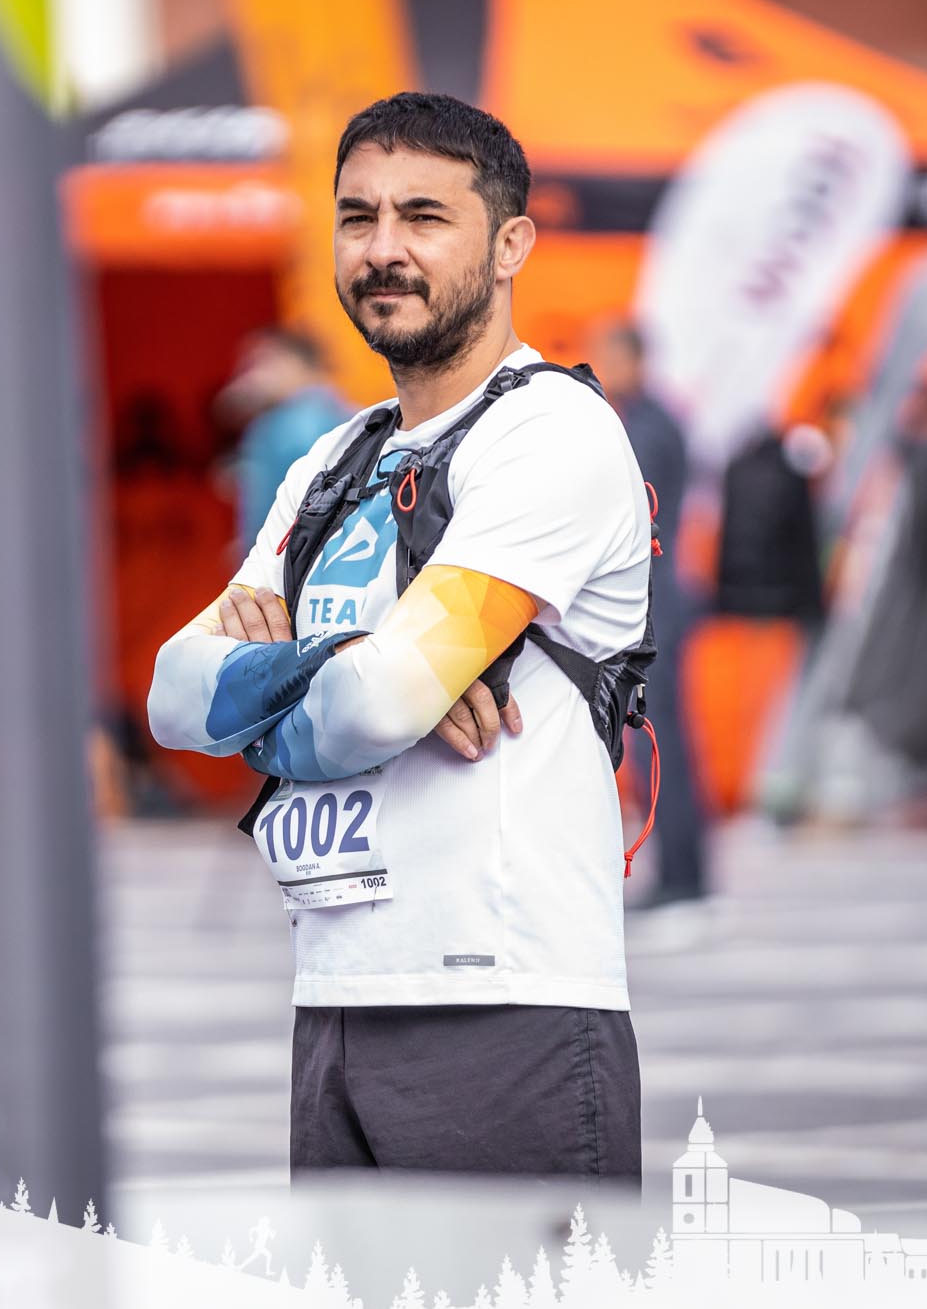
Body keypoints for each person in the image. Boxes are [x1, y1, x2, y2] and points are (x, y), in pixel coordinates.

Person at [147, 92, 651, 1180]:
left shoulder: (551, 431)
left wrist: (322, 685)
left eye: (424, 216)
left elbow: (374, 704)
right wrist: (351, 667)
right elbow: (173, 696)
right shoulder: (332, 458)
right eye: (357, 217)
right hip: (334, 991)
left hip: (505, 997)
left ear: (510, 245)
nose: (383, 249)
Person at [586, 320, 709, 909]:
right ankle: (682, 875)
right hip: (657, 597)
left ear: (634, 359)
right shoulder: (647, 419)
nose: (602, 367)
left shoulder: (646, 427)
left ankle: (683, 879)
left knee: (660, 742)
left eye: (609, 355)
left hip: (655, 602)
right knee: (660, 739)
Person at [220, 328, 351, 554]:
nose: (252, 376)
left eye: (262, 363)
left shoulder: (299, 421)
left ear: (293, 362)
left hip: (291, 556)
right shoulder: (340, 412)